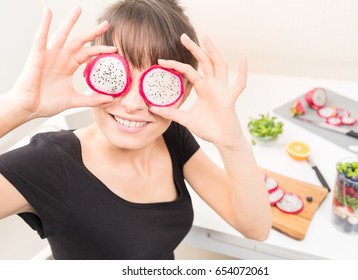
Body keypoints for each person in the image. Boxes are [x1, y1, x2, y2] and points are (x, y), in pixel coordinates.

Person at [0, 0, 272, 260]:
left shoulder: (170, 135)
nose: (132, 104)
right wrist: (17, 106)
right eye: (114, 75)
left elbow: (255, 228)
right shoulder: (49, 163)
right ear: (89, 73)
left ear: (184, 91)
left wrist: (232, 143)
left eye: (159, 85)